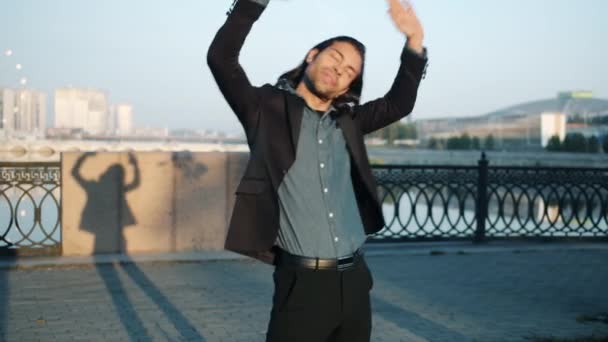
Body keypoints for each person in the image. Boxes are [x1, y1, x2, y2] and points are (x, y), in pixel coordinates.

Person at [207, 0, 427, 340]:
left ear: (347, 86)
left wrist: (414, 42)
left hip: (355, 280)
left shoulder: (349, 122)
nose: (340, 70)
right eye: (335, 58)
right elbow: (222, 59)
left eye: (350, 71)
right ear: (312, 55)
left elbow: (399, 103)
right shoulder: (265, 110)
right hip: (302, 285)